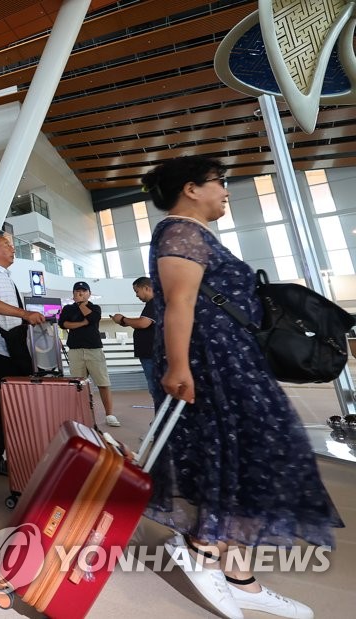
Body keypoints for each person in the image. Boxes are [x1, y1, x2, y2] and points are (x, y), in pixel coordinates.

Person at [141, 155, 341, 619]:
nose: (225, 191)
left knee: (245, 460)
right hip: (212, 365)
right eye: (219, 182)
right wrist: (177, 367)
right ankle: (204, 548)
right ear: (191, 188)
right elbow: (179, 305)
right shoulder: (180, 232)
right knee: (235, 456)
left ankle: (240, 576)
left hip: (234, 363)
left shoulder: (197, 235)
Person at [0, 234, 46, 475]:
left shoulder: (6, 277)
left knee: (4, 402)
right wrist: (24, 315)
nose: (13, 250)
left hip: (12, 348)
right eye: (7, 246)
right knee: (3, 403)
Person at [57, 281, 120, 427]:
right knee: (79, 384)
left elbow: (92, 319)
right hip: (75, 350)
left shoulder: (95, 307)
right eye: (77, 291)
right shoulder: (67, 308)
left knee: (103, 382)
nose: (80, 293)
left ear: (89, 293)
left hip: (94, 349)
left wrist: (81, 305)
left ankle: (109, 414)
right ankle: (82, 414)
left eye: (84, 291)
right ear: (73, 294)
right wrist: (82, 323)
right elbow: (63, 324)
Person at [110, 276, 157, 396]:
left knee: (155, 388)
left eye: (137, 291)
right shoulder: (152, 304)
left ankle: (163, 413)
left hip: (152, 354)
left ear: (146, 288)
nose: (136, 295)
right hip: (149, 353)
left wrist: (123, 319)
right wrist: (125, 322)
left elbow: (143, 323)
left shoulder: (154, 303)